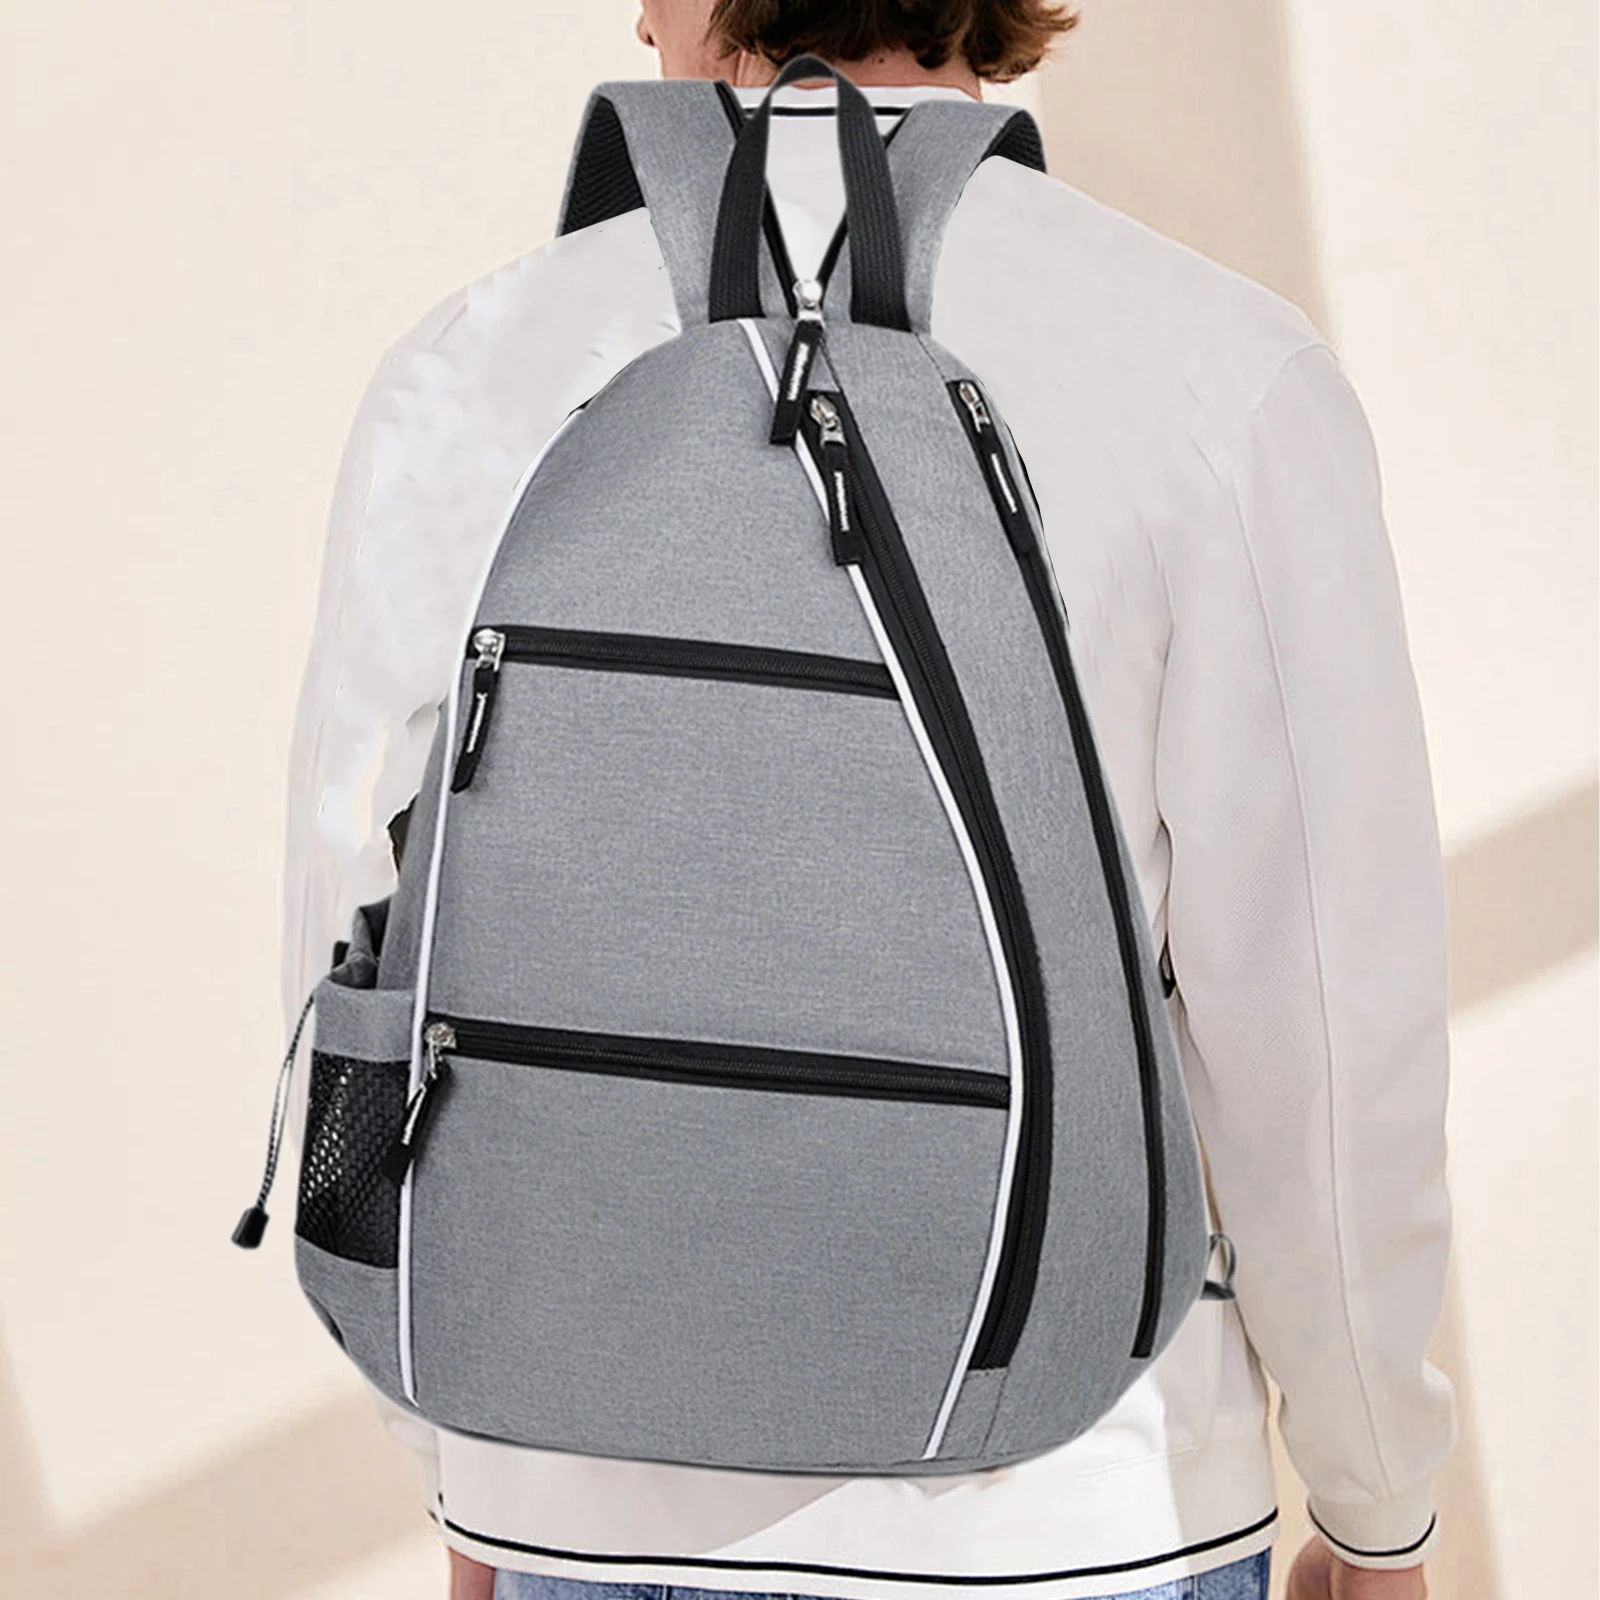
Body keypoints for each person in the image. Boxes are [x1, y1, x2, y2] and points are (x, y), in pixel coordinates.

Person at [282, 3, 1457, 1599]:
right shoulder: (1215, 372)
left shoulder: (472, 369)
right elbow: (1321, 1039)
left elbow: (346, 955)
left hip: (573, 1483)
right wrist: (1378, 1502)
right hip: (1074, 1498)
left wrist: (470, 1462)